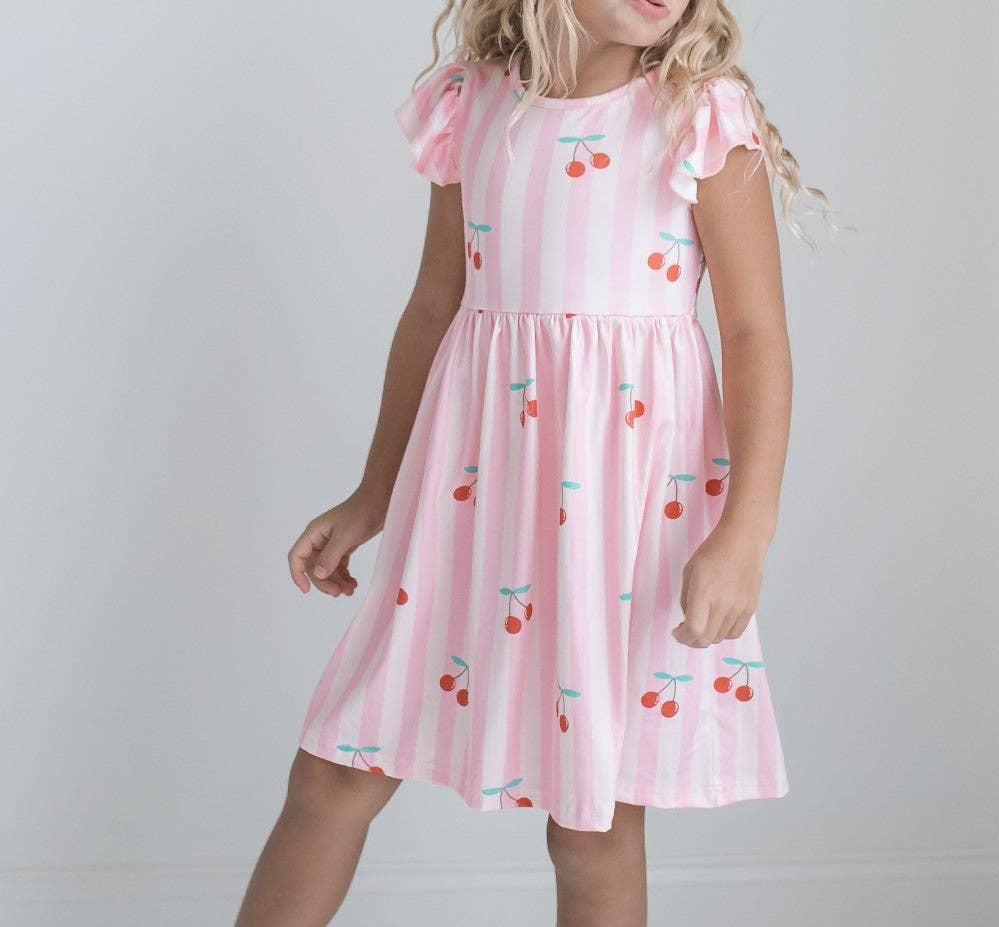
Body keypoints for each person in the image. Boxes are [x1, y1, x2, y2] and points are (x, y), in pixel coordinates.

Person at [236, 1, 830, 924]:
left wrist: (746, 530)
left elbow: (755, 333)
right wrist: (373, 493)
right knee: (335, 773)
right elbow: (434, 306)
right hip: (472, 498)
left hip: (622, 514)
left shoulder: (698, 114)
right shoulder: (472, 107)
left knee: (591, 826)